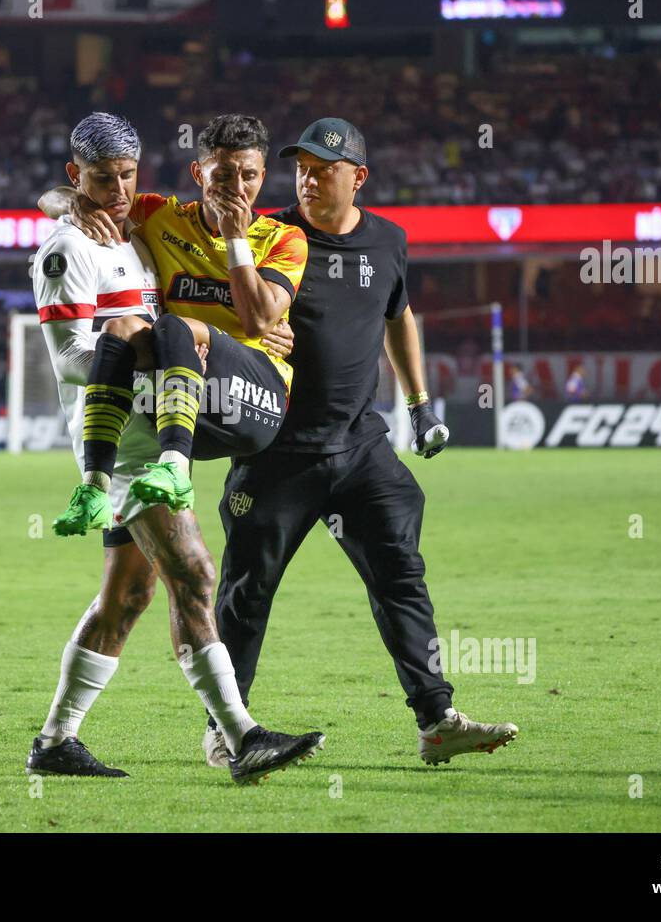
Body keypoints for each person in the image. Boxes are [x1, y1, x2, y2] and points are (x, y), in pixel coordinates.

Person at [208, 118, 518, 768]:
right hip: (276, 453)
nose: (310, 179)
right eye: (303, 167)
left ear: (359, 177)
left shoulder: (389, 241)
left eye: (325, 168)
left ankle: (436, 719)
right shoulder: (271, 235)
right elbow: (223, 303)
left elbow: (398, 317)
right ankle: (227, 729)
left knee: (401, 571)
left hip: (359, 448)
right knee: (246, 591)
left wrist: (421, 403)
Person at [26, 112, 323, 784]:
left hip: (151, 415)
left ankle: (55, 742)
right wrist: (143, 344)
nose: (120, 190)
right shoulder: (67, 247)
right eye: (102, 179)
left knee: (126, 598)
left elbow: (220, 314)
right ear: (77, 177)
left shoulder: (135, 231)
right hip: (123, 435)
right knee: (194, 573)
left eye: (128, 175)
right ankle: (241, 734)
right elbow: (69, 359)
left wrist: (219, 343)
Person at [40, 113, 308, 532]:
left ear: (263, 176)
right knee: (123, 329)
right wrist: (73, 203)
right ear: (198, 172)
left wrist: (235, 238)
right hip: (183, 400)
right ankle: (95, 486)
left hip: (257, 399)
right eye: (223, 175)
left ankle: (175, 470)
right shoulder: (162, 218)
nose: (237, 189)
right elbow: (66, 196)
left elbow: (256, 322)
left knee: (172, 328)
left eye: (249, 176)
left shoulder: (283, 238)